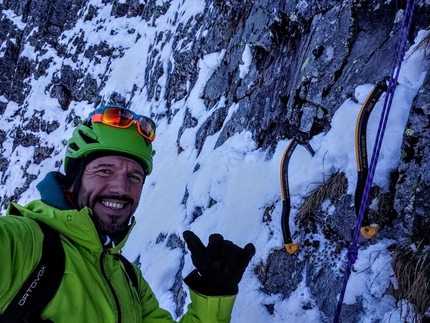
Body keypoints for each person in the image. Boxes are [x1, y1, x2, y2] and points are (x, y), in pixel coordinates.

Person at [0, 105, 256, 322]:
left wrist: (212, 295)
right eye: (104, 170)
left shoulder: (129, 280)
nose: (121, 189)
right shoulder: (24, 245)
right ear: (74, 178)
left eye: (134, 176)